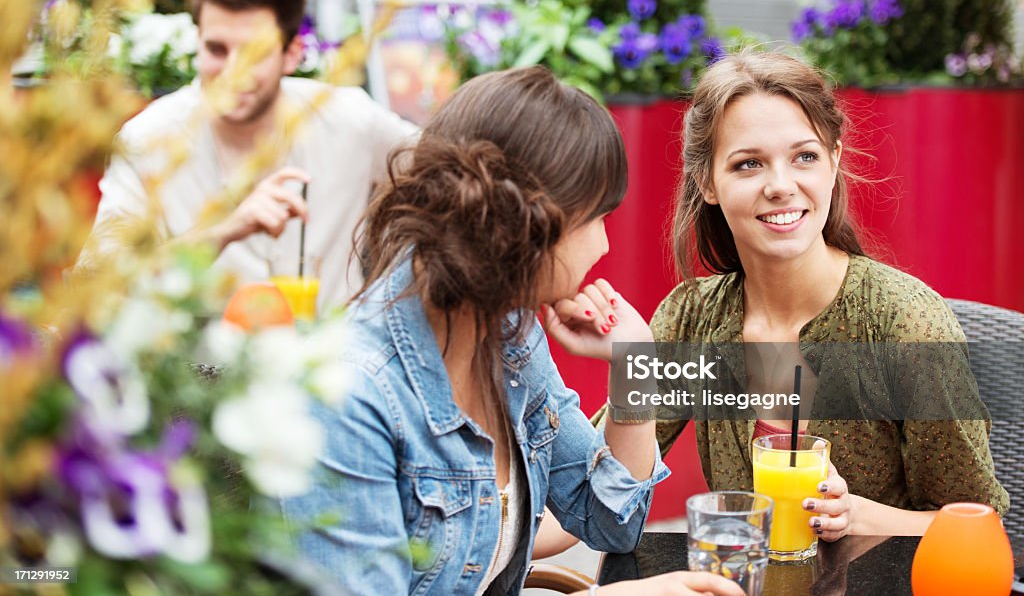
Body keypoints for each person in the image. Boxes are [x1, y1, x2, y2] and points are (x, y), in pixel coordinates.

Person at [277, 66, 744, 596]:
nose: (604, 247)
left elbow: (609, 521)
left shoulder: (510, 334)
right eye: (596, 219)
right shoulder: (346, 395)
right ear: (527, 224)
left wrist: (634, 361)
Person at [598, 50, 1007, 541]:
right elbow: (600, 496)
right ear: (707, 182)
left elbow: (981, 530)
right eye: (749, 164)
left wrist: (861, 517)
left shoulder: (902, 324)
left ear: (834, 160)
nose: (780, 185)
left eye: (804, 157)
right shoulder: (691, 319)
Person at [79, 0, 416, 311]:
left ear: (292, 54)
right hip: (199, 366)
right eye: (217, 49)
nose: (233, 72)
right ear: (198, 41)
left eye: (255, 54)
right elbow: (99, 282)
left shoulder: (351, 119)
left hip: (336, 363)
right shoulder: (147, 138)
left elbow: (453, 168)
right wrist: (223, 232)